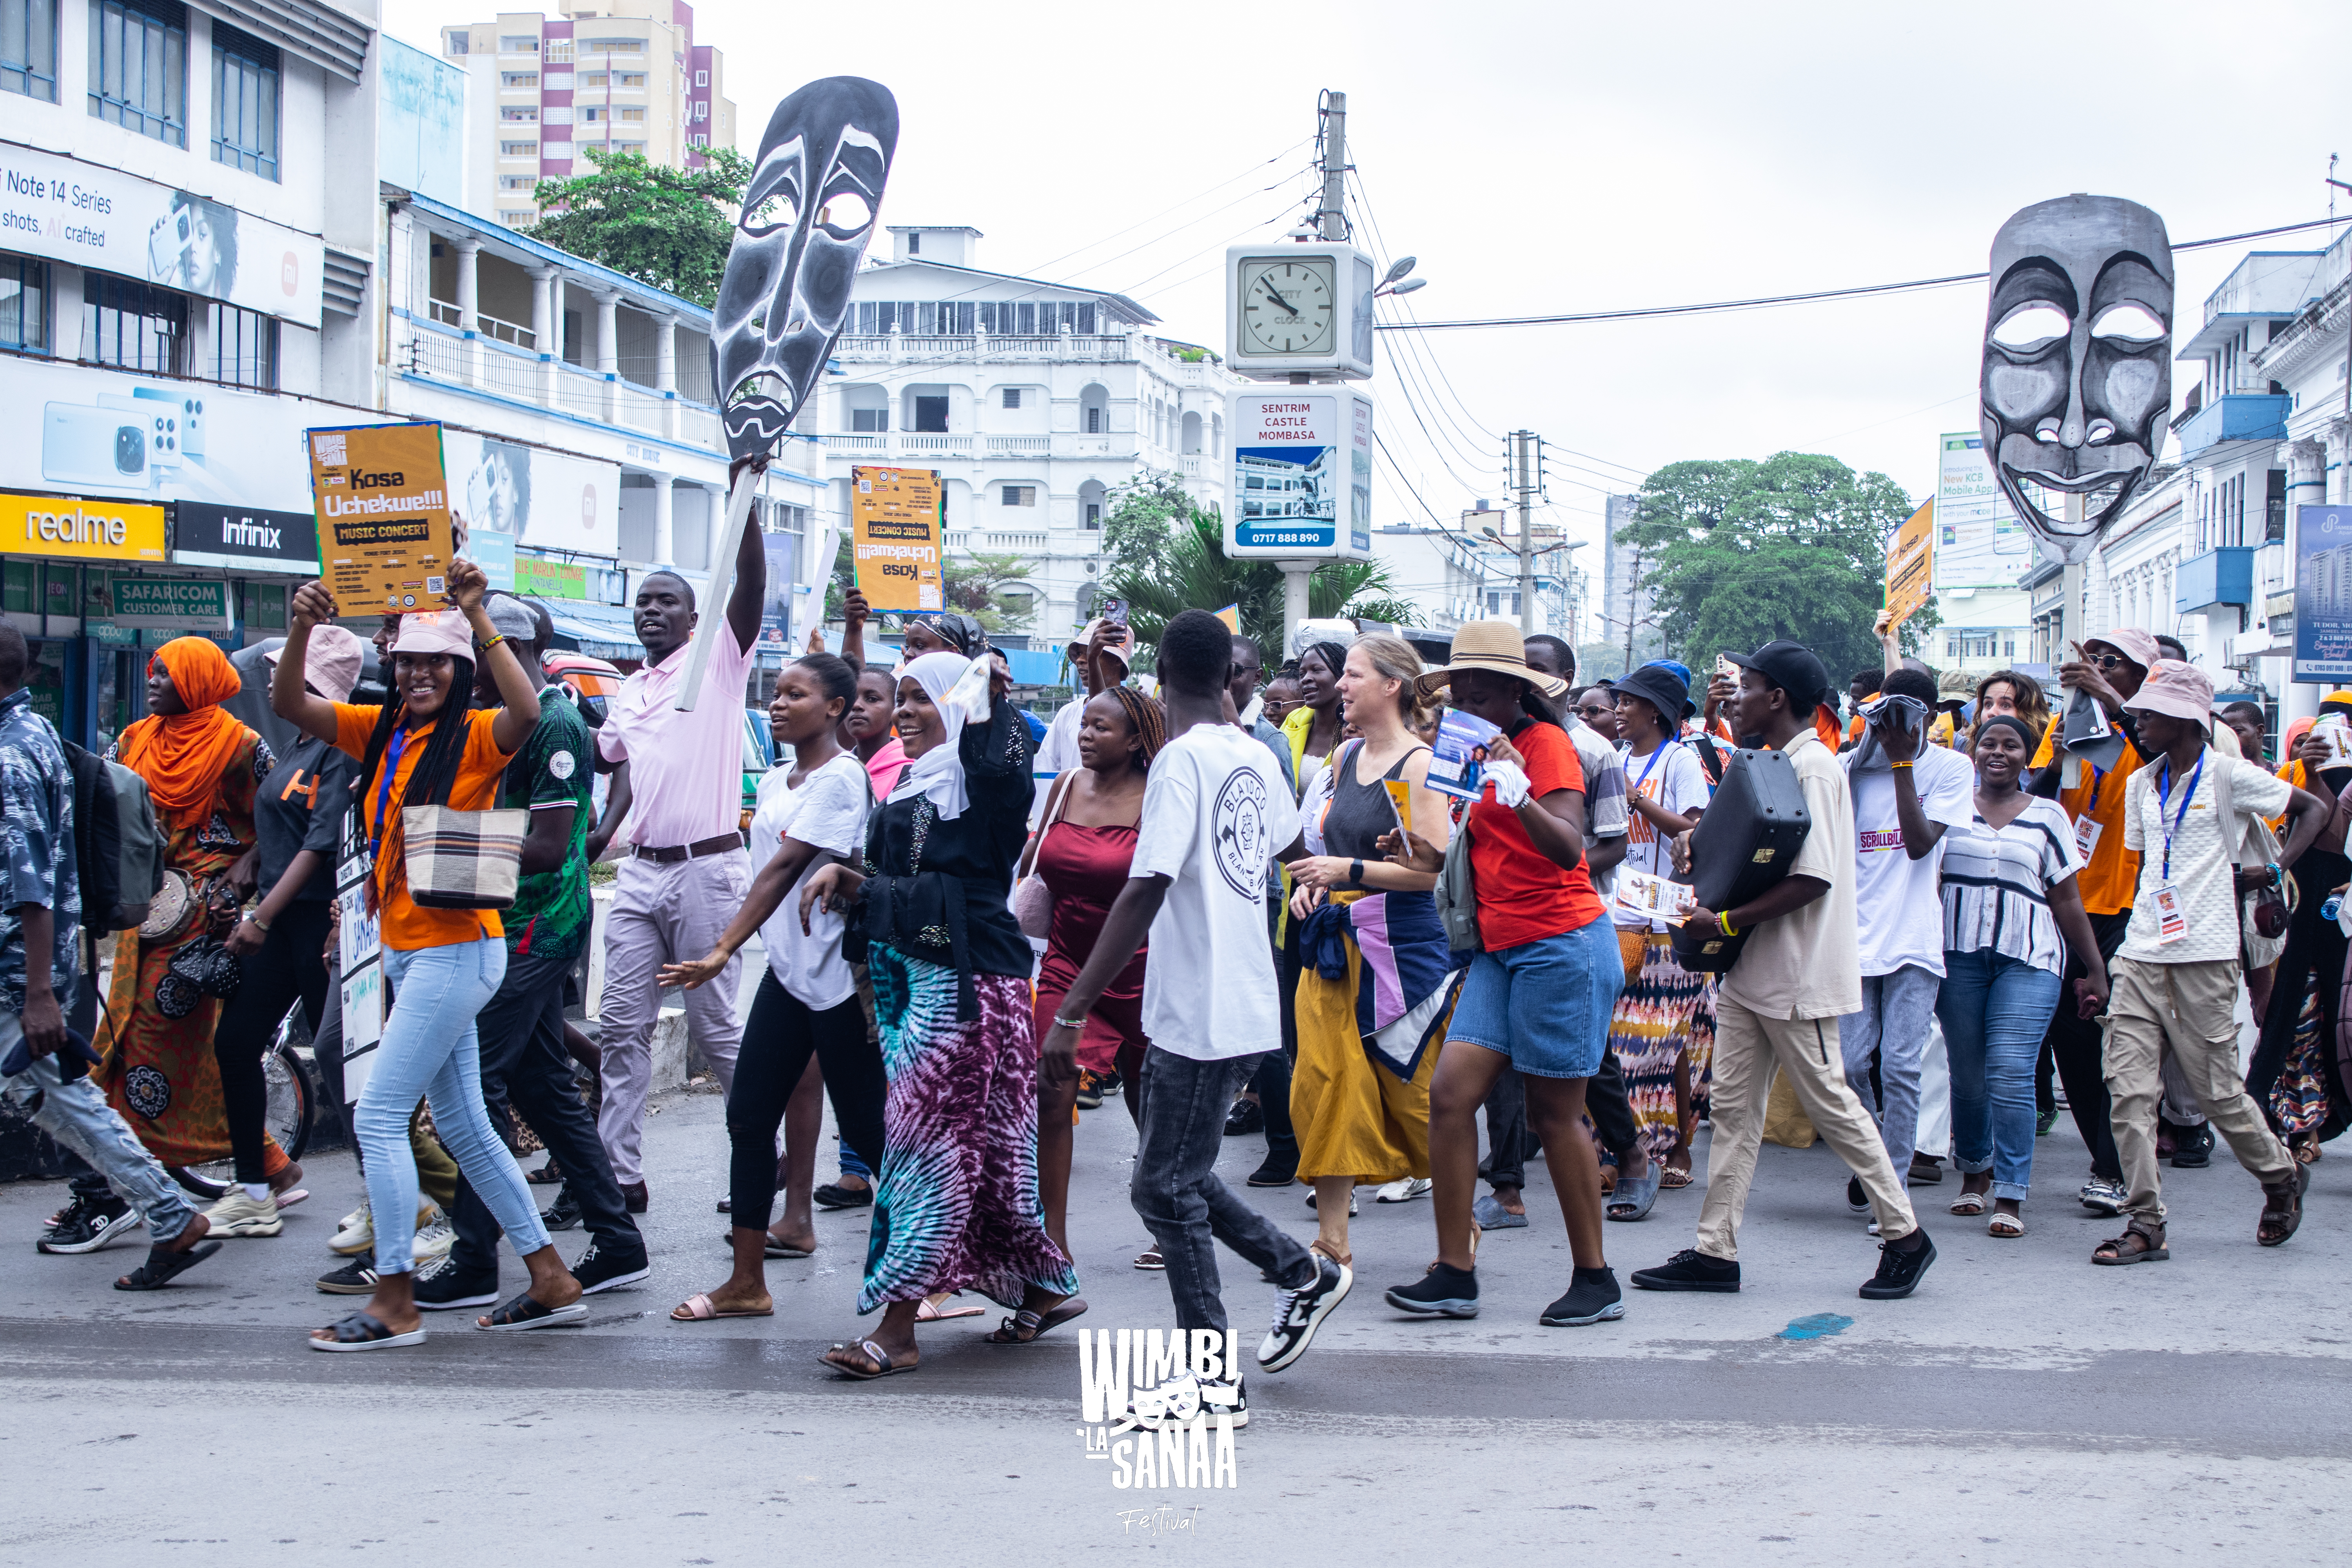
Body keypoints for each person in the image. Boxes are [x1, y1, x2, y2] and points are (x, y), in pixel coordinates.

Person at [1041, 609, 1345, 1401]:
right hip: (1241, 999)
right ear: (1225, 676)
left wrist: (1073, 1010)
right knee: (1172, 1175)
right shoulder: (1252, 754)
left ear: (1163, 671)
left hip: (1201, 1007)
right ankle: (1302, 1272)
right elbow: (1290, 854)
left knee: (1165, 1187)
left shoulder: (1180, 763)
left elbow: (1147, 886)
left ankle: (1214, 1376)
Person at [274, 568, 582, 1350]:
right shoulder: (377, 729)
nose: (418, 671)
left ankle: (395, 1299)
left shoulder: (480, 734)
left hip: (456, 948)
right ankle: (551, 1277)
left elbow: (526, 708)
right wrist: (303, 626)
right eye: (408, 660)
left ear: (462, 671)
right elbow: (288, 704)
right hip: (413, 952)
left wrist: (475, 612)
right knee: (465, 1125)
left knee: (378, 1116)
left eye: (436, 662)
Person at [799, 649, 1079, 1376]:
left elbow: (1001, 752)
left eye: (924, 700)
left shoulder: (983, 780)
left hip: (963, 992)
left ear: (958, 709)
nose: (905, 713)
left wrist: (983, 687)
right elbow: (905, 878)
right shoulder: (919, 779)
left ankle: (898, 1328)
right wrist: (851, 877)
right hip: (927, 985)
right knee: (986, 1152)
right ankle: (1042, 1287)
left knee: (925, 1150)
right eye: (903, 699)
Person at [1632, 640, 1935, 1300]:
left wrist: (1729, 922)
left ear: (1776, 699)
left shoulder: (1816, 768)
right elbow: (1749, 857)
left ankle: (1906, 1236)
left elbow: (1814, 879)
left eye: (1748, 688)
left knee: (1834, 1105)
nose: (1735, 699)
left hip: (1797, 974)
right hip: (1750, 972)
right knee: (1737, 1113)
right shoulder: (1767, 761)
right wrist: (1696, 851)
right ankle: (1716, 1251)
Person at [1382, 622, 1625, 1326]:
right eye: (1463, 684)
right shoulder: (1463, 749)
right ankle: (1454, 1270)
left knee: (1555, 1115)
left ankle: (1595, 1278)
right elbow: (1470, 846)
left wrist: (1516, 787)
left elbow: (1566, 848)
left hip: (1562, 946)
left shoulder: (1546, 747)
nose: (1470, 694)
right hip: (1497, 948)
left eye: (1486, 685)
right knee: (1453, 1097)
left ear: (1519, 690)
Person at [417, 594, 649, 1313]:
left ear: (506, 650)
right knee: (544, 1089)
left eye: (468, 658)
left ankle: (475, 1256)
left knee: (475, 1087)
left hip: (536, 929)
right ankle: (617, 1242)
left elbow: (550, 848)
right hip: (499, 923)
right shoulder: (493, 719)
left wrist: (434, 857)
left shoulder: (553, 721)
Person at [657, 653, 886, 1322]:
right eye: (777, 693)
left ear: (836, 709)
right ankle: (747, 1283)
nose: (779, 704)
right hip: (791, 976)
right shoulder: (779, 777)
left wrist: (723, 948)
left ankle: (930, 1274)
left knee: (874, 1138)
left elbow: (786, 868)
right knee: (751, 1117)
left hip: (840, 982)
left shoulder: (842, 780)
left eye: (796, 694)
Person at [2, 623, 220, 1290]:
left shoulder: (12, 758)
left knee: (57, 1095)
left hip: (18, 969)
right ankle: (166, 1211)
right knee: (47, 1094)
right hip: (43, 960)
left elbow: (30, 884)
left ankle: (166, 1211)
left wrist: (38, 991)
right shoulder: (36, 735)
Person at [2093, 661, 2326, 1265]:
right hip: (2142, 954)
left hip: (2207, 955)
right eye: (2139, 712)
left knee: (2219, 1093)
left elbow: (2313, 810)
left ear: (2186, 719)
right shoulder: (2143, 784)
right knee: (2129, 1094)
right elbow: (2151, 867)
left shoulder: (2229, 775)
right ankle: (2145, 1223)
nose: (2139, 722)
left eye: (2149, 714)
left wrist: (2274, 870)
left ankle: (2278, 1177)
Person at [584, 507, 767, 1211]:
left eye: (667, 601)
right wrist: (606, 827)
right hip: (641, 874)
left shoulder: (719, 661)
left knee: (717, 1029)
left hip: (707, 872)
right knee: (622, 1028)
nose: (652, 611)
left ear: (694, 617)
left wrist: (744, 506)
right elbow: (621, 759)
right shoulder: (630, 688)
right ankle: (618, 1175)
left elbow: (749, 583)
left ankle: (763, 1158)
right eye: (644, 602)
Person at [94, 635, 304, 1200]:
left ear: (197, 682)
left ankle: (127, 1181)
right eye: (154, 673)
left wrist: (250, 864)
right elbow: (101, 798)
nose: (153, 682)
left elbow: (285, 810)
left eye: (166, 674)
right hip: (145, 913)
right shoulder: (135, 740)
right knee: (125, 1037)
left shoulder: (241, 746)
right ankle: (268, 1163)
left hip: (203, 917)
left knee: (149, 1037)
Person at [1285, 636, 1455, 1267]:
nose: (1341, 685)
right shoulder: (1345, 755)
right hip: (1333, 946)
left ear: (1391, 686)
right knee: (1326, 1084)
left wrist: (1345, 869)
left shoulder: (1417, 766)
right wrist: (1314, 891)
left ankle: (1457, 1231)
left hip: (1397, 955)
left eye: (1353, 674)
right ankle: (1333, 1240)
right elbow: (1323, 854)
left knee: (1411, 1094)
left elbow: (1426, 873)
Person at [201, 626, 366, 1238]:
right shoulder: (296, 742)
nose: (272, 677)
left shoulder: (342, 742)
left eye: (284, 668)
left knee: (345, 1062)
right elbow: (277, 832)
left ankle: (386, 1194)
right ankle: (252, 1189)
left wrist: (260, 917)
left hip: (320, 924)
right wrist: (244, 880)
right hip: (278, 921)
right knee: (237, 1042)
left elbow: (321, 844)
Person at [1936, 714, 2111, 1235]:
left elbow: (2067, 898)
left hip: (2030, 957)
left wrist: (2096, 970)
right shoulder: (1948, 807)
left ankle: (2011, 1192)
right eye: (1988, 742)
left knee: (2011, 1072)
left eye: (2011, 745)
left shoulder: (2049, 816)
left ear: (2026, 756)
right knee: (1967, 1076)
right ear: (1973, 748)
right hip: (1957, 955)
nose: (1998, 752)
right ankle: (1974, 1171)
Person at [1021, 681, 1163, 1260]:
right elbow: (1035, 859)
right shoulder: (1063, 787)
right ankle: (1052, 1243)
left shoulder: (1158, 795)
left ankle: (1166, 1219)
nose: (1085, 735)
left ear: (1135, 740)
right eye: (1083, 724)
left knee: (1145, 1099)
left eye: (1101, 728)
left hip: (1142, 967)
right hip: (1065, 958)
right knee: (1048, 1092)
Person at [1838, 668, 1976, 1209]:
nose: (1895, 725)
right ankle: (1875, 1156)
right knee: (1849, 1067)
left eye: (1907, 716)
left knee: (1900, 1066)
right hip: (1854, 939)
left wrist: (1901, 763)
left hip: (1914, 941)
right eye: (1885, 714)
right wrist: (1869, 755)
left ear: (1930, 717)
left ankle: (1890, 1189)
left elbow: (1919, 843)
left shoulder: (1950, 768)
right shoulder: (1850, 769)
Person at [2027, 629, 2154, 1212]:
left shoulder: (2153, 728)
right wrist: (2069, 742)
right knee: (2070, 1036)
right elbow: (2039, 794)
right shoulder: (2068, 726)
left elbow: (2163, 762)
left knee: (2124, 1041)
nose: (2098, 668)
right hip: (2070, 904)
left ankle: (2121, 1165)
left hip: (2132, 904)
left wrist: (2111, 702)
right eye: (2093, 659)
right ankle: (2106, 1159)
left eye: (2113, 663)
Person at [1606, 662, 1714, 1194]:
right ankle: (1640, 1147)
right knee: (1632, 1043)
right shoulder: (1618, 759)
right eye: (1618, 701)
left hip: (1669, 922)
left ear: (1656, 711)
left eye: (1628, 702)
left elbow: (1697, 831)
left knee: (1663, 1044)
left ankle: (1666, 1148)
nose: (1619, 711)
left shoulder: (1680, 761)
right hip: (1618, 918)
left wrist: (1636, 799)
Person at [1223, 634, 1301, 1185]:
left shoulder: (1266, 742)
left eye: (1240, 671)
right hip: (1211, 893)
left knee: (1264, 1024)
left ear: (1256, 675)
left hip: (1258, 893)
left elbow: (1281, 830)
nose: (1230, 679)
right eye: (1221, 669)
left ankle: (1285, 1143)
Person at [1973, 670, 2053, 751]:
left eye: (2005, 706)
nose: (1991, 712)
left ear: (2030, 715)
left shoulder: (2052, 759)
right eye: (1988, 705)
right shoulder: (1965, 756)